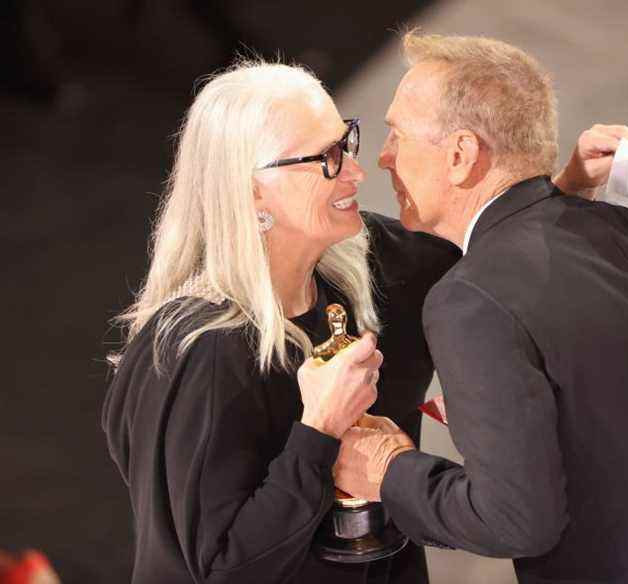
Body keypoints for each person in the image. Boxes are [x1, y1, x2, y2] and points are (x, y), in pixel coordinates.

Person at [101, 58, 599, 584]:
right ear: (251, 189)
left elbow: (494, 272)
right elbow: (224, 568)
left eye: (348, 142)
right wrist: (319, 430)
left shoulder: (374, 267)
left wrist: (564, 192)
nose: (359, 171)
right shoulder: (201, 351)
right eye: (328, 158)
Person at [334, 32, 628, 584]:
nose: (383, 156)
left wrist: (389, 469)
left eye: (396, 134)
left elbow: (515, 520)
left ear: (460, 155)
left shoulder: (470, 300)